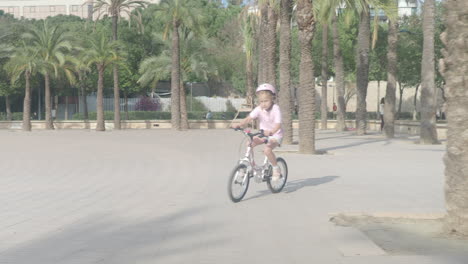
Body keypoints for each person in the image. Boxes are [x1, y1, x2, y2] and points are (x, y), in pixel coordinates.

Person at [231, 83, 283, 181]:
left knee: (267, 150)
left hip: (276, 135)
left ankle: (276, 168)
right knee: (249, 143)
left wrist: (271, 132)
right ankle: (251, 165)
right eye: (261, 101)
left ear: (272, 98)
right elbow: (248, 118)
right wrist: (239, 125)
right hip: (263, 134)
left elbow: (278, 125)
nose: (263, 103)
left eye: (266, 101)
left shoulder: (276, 109)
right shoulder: (259, 109)